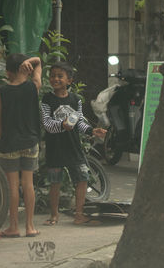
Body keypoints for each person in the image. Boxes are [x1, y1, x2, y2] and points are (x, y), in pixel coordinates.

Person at [41, 62, 107, 226]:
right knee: (55, 181)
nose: (55, 79)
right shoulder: (47, 99)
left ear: (69, 80)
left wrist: (92, 131)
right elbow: (47, 124)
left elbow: (79, 122)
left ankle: (79, 214)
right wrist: (62, 126)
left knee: (82, 178)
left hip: (73, 146)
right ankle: (54, 215)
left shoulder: (76, 100)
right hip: (54, 147)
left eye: (60, 76)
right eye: (53, 76)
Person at [0, 53, 41, 237]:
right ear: (25, 68)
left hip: (10, 143)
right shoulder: (33, 87)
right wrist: (31, 62)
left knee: (12, 186)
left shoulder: (3, 91)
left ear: (8, 72)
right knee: (28, 184)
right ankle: (30, 226)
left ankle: (13, 227)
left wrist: (2, 136)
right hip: (30, 142)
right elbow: (39, 62)